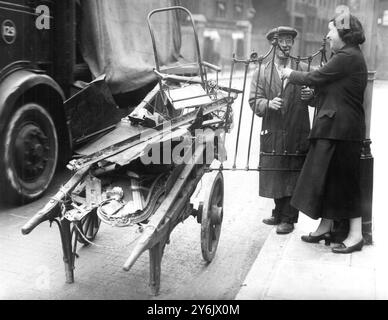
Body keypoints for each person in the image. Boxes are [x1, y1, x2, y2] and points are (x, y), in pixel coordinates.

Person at [280, 14, 367, 253]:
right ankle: (325, 226)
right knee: (327, 181)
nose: (327, 35)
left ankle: (356, 236)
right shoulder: (346, 57)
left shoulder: (348, 56)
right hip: (333, 129)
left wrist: (289, 73)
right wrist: (315, 96)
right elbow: (331, 89)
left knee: (346, 184)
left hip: (343, 131)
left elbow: (315, 77)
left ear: (344, 34)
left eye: (332, 31)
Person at [249, 26, 314, 234]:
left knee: (293, 171)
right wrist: (267, 104)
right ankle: (278, 212)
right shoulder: (261, 71)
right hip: (273, 129)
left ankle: (289, 218)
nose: (286, 45)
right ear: (272, 44)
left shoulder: (302, 67)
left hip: (297, 128)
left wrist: (310, 96)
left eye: (289, 41)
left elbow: (317, 94)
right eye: (281, 41)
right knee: (276, 169)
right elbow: (253, 100)